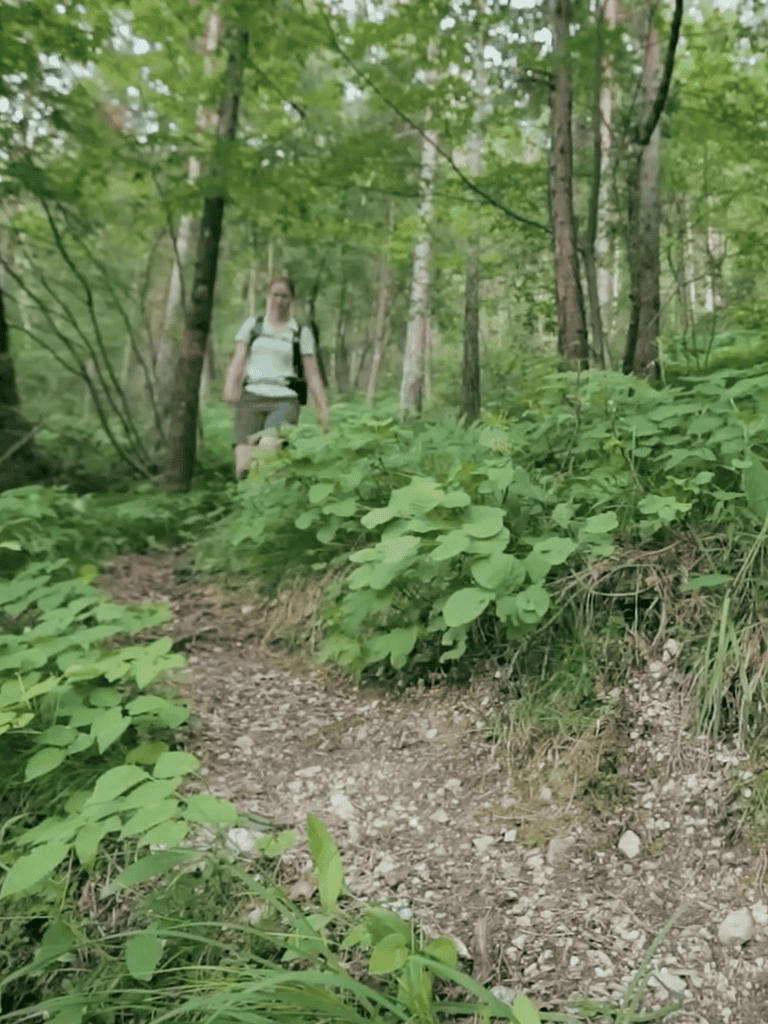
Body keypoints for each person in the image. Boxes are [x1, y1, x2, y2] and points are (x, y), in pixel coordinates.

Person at [223, 276, 330, 479]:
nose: (279, 301)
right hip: (251, 396)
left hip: (284, 399)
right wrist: (230, 385)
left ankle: (266, 500)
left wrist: (322, 409)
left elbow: (312, 373)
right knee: (242, 469)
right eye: (275, 295)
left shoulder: (300, 332)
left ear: (292, 299)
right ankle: (251, 506)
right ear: (268, 296)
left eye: (284, 296)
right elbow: (238, 359)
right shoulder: (252, 326)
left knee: (264, 458)